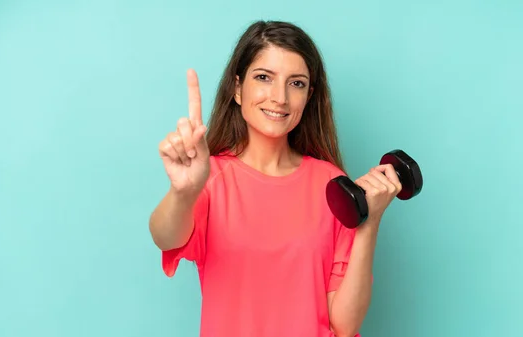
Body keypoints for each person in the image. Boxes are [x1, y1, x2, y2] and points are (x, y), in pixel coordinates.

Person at [149, 20, 402, 337]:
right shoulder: (209, 177)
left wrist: (369, 223)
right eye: (264, 78)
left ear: (309, 96)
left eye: (296, 83)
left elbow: (344, 324)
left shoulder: (332, 184)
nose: (280, 97)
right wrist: (182, 192)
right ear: (237, 89)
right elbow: (165, 237)